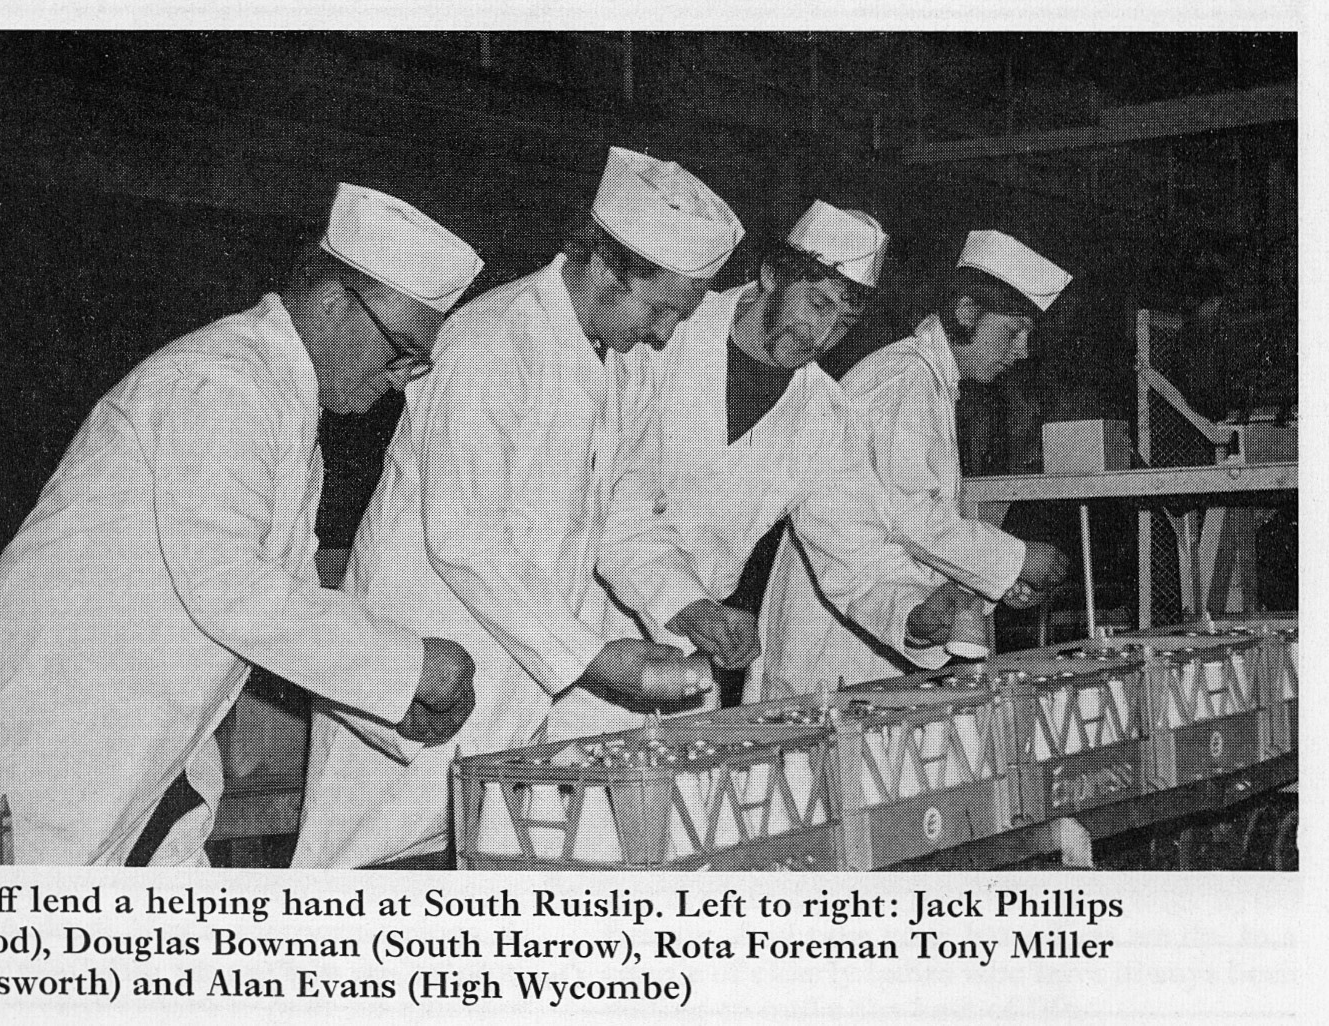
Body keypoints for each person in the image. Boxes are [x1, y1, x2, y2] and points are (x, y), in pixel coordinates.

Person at [0, 184, 485, 866]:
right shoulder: (221, 385)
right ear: (332, 304)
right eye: (400, 350)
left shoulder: (285, 418)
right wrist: (410, 665)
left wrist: (393, 704)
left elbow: (291, 611)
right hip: (35, 755)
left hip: (136, 768)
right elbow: (231, 590)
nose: (401, 379)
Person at [292, 146, 756, 869]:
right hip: (425, 674)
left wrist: (687, 603)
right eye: (660, 309)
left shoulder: (623, 362)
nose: (666, 335)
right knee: (376, 880)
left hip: (519, 693)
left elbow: (622, 513)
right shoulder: (492, 343)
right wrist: (592, 657)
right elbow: (464, 539)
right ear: (606, 268)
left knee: (494, 879)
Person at [588, 200, 1000, 721]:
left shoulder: (825, 416)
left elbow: (856, 551)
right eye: (817, 304)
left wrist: (916, 615)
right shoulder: (659, 338)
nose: (821, 337)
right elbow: (617, 508)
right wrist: (686, 604)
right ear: (770, 274)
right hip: (591, 638)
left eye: (844, 322)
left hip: (692, 658)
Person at [757, 228, 1073, 700]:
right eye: (1012, 331)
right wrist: (1019, 559)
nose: (1022, 351)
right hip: (835, 646)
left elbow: (901, 525)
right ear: (966, 312)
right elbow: (913, 519)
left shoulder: (926, 383)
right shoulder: (904, 382)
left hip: (874, 630)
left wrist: (990, 584)